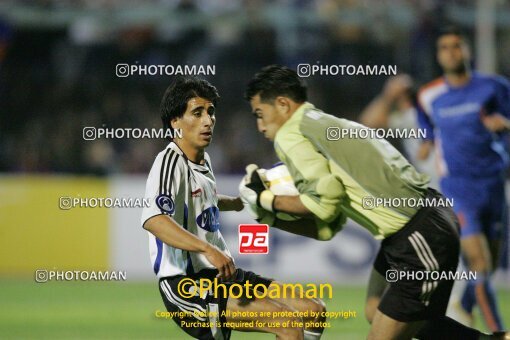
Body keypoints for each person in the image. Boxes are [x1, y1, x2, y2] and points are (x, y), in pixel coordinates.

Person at [239, 64, 509, 339]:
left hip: (418, 234)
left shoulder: (290, 135)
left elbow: (324, 203)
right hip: (423, 222)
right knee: (378, 309)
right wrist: (269, 213)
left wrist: (267, 199)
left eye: (260, 114)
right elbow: (327, 226)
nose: (260, 126)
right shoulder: (321, 124)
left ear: (283, 104)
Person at [141, 77, 326, 340]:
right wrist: (208, 249)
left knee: (312, 309)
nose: (208, 120)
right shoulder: (169, 162)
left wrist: (240, 202)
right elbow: (155, 219)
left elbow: (206, 201)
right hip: (187, 284)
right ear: (175, 122)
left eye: (211, 112)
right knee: (286, 323)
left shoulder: (202, 161)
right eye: (197, 112)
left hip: (224, 277)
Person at [417, 26, 509, 332]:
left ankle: (463, 307)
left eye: (457, 46)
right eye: (444, 47)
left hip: (493, 184)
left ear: (467, 50)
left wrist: (504, 125)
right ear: (438, 55)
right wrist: (425, 143)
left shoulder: (494, 87)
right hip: (457, 188)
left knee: (490, 267)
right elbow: (425, 128)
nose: (451, 52)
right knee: (480, 265)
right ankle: (499, 332)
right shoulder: (430, 96)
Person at [359, 74, 439, 189]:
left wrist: (388, 96)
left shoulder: (410, 116)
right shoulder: (421, 113)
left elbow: (368, 122)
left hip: (435, 182)